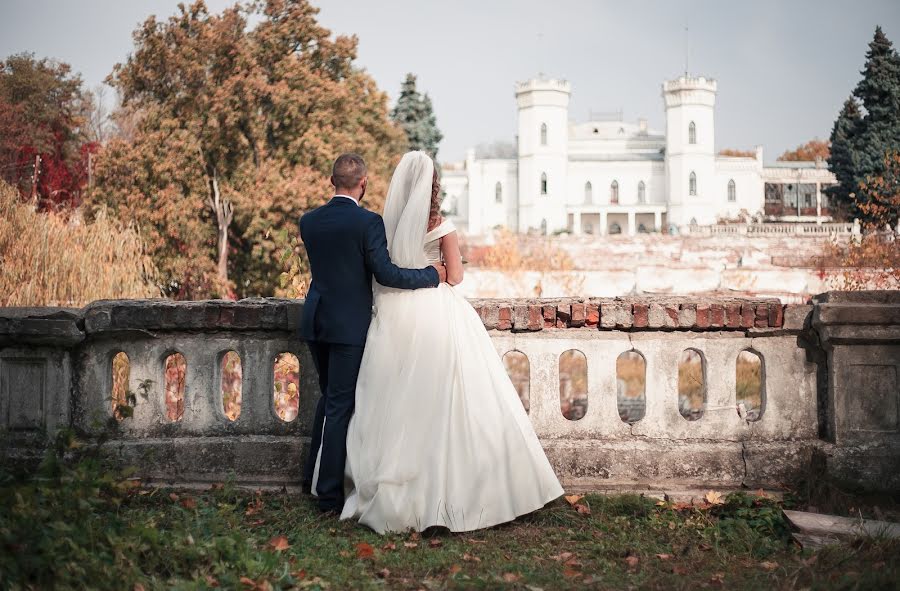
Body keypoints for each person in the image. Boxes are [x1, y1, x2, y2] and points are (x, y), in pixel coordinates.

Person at [339, 150, 563, 533]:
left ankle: (391, 491)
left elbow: (381, 272)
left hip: (394, 312)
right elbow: (455, 276)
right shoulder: (442, 227)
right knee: (447, 398)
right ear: (433, 187)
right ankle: (458, 492)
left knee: (396, 399)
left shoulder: (382, 226)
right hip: (435, 311)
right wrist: (438, 270)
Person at [299, 153, 447, 513]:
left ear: (331, 181)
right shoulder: (368, 223)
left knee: (328, 399)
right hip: (348, 326)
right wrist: (432, 275)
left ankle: (311, 479)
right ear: (363, 183)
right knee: (338, 406)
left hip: (315, 320)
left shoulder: (309, 221)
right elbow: (387, 274)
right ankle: (329, 497)